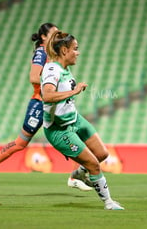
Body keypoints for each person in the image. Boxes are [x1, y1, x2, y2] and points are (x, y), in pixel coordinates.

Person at [0, 23, 91, 191]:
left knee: (73, 133)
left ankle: (73, 177)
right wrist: (51, 83)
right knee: (21, 143)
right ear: (43, 38)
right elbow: (33, 77)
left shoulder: (55, 53)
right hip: (41, 103)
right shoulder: (41, 53)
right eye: (54, 33)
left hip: (56, 103)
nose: (57, 36)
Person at [40, 30, 124, 210]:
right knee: (93, 164)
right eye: (75, 49)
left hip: (75, 119)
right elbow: (46, 96)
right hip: (59, 129)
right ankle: (109, 203)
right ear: (64, 50)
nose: (77, 52)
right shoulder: (52, 70)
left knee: (102, 154)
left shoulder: (65, 69)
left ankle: (77, 175)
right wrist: (74, 91)